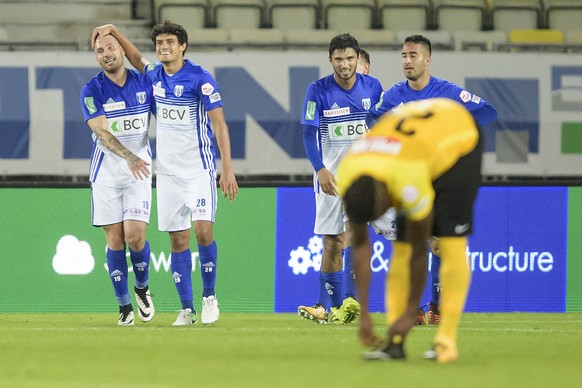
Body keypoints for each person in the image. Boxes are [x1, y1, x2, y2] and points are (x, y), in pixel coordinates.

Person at [92, 21, 239, 326]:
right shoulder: (155, 76)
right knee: (178, 240)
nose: (163, 47)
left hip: (199, 169)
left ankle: (209, 297)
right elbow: (134, 58)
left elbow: (220, 125)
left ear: (182, 46)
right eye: (159, 43)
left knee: (203, 231)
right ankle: (187, 309)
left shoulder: (201, 79)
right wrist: (115, 32)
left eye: (169, 42)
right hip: (168, 173)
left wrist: (227, 167)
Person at [338, 98, 482, 363]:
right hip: (414, 146)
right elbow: (359, 245)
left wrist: (409, 315)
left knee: (448, 241)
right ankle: (394, 344)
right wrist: (365, 315)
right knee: (398, 247)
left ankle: (445, 342)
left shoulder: (408, 180)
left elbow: (419, 252)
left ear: (388, 197)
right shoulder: (348, 173)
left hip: (459, 138)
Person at [366, 34, 497, 325]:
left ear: (427, 59)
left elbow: (487, 113)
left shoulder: (447, 92)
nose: (407, 61)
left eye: (413, 55)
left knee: (439, 245)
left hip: (441, 179)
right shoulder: (393, 96)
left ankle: (436, 308)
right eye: (403, 56)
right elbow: (371, 121)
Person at [297, 33, 384, 325]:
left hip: (362, 177)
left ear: (359, 59)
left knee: (352, 232)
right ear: (330, 60)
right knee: (332, 241)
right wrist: (320, 168)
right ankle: (329, 307)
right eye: (339, 59)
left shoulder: (373, 87)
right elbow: (309, 133)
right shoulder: (317, 90)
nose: (345, 65)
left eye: (349, 58)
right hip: (329, 178)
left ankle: (351, 301)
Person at [80, 33, 155, 326]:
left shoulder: (144, 82)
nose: (106, 54)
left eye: (111, 47)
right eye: (100, 50)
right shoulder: (92, 89)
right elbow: (100, 130)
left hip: (139, 171)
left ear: (122, 50)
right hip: (107, 174)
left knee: (135, 237)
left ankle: (142, 287)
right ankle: (124, 306)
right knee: (114, 239)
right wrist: (128, 156)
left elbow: (151, 68)